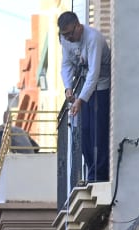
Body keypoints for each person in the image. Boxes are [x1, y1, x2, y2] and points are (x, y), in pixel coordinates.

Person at [58, 11, 111, 183]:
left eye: (70, 34)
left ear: (78, 26)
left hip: (101, 87)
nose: (68, 38)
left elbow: (94, 73)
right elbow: (66, 65)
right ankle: (91, 171)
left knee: (98, 131)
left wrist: (80, 100)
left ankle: (99, 175)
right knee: (86, 132)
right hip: (85, 89)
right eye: (64, 35)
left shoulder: (93, 38)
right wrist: (68, 88)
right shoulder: (66, 41)